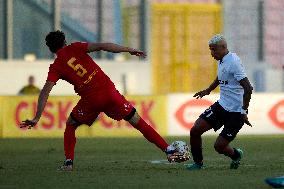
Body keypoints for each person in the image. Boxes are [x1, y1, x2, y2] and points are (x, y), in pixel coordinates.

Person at [19, 30, 188, 171]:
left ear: (50, 48)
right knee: (137, 120)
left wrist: (37, 117)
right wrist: (128, 49)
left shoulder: (55, 66)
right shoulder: (77, 47)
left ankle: (69, 163)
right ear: (65, 41)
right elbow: (103, 46)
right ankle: (168, 149)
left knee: (71, 125)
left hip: (90, 99)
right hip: (109, 92)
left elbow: (45, 91)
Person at [186, 34, 253, 170]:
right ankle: (198, 164)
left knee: (219, 147)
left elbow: (248, 88)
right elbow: (221, 76)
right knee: (195, 130)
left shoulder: (233, 62)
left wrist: (244, 111)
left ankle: (236, 155)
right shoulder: (222, 60)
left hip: (235, 112)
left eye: (214, 50)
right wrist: (208, 90)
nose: (212, 53)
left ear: (223, 47)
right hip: (221, 106)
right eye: (210, 50)